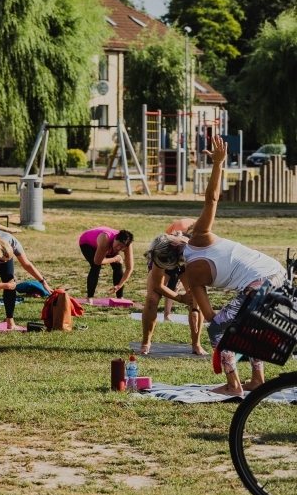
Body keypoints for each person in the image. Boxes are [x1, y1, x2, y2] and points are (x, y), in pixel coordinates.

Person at [180, 137, 286, 396]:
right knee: (245, 327)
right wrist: (217, 164)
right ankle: (257, 380)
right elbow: (211, 200)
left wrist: (217, 163)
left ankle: (233, 385)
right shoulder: (197, 239)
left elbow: (212, 319)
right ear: (177, 240)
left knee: (221, 328)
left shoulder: (192, 274)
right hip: (279, 275)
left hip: (260, 283)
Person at [138, 218, 201, 355]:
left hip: (185, 263)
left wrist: (195, 308)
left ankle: (196, 344)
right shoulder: (162, 251)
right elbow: (158, 285)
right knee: (151, 299)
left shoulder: (192, 251)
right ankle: (145, 343)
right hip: (165, 262)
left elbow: (198, 290)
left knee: (196, 298)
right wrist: (180, 298)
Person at [0, 230, 51, 330]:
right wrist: (6, 286)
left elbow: (27, 265)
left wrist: (42, 282)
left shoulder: (13, 243)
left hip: (3, 250)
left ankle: (10, 323)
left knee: (10, 281)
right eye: (3, 261)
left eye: (9, 259)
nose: (6, 262)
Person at [79, 226, 134, 298]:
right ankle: (90, 297)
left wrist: (119, 285)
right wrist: (115, 259)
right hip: (87, 242)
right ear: (115, 239)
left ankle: (120, 297)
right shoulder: (105, 240)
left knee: (118, 266)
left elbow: (129, 268)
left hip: (104, 242)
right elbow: (97, 261)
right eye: (118, 245)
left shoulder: (127, 245)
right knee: (95, 266)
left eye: (122, 247)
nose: (118, 248)